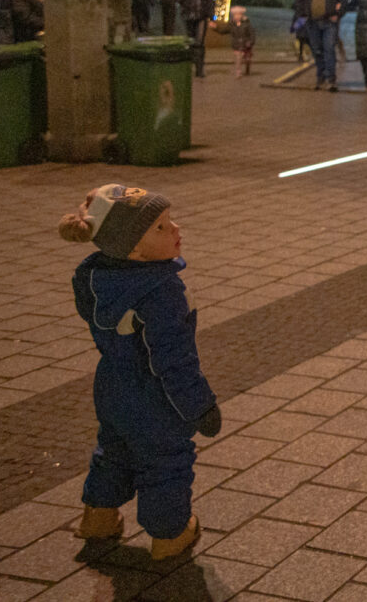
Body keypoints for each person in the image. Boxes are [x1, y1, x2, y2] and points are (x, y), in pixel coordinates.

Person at [60, 184, 220, 560]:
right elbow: (173, 360)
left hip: (111, 385)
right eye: (160, 227)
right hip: (153, 397)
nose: (176, 228)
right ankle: (169, 534)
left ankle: (98, 517)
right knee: (165, 460)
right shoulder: (161, 291)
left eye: (170, 220)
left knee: (114, 450)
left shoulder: (96, 277)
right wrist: (201, 406)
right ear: (133, 249)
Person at [293, 0, 347, 90]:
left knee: (329, 49)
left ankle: (331, 78)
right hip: (312, 22)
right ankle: (320, 76)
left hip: (329, 21)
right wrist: (303, 16)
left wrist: (338, 14)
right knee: (317, 50)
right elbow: (299, 0)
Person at [175, 0, 215, 79]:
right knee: (190, 42)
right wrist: (184, 1)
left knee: (199, 42)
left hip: (201, 17)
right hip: (188, 16)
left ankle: (199, 69)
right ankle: (189, 66)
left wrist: (211, 18)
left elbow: (210, 3)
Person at [218, 5, 255, 79]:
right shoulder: (231, 24)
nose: (237, 16)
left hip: (246, 45)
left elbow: (252, 34)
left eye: (239, 14)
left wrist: (250, 42)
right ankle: (238, 72)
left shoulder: (247, 24)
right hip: (236, 45)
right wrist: (215, 27)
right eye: (235, 15)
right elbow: (223, 31)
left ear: (242, 15)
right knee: (238, 58)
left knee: (247, 59)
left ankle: (247, 68)